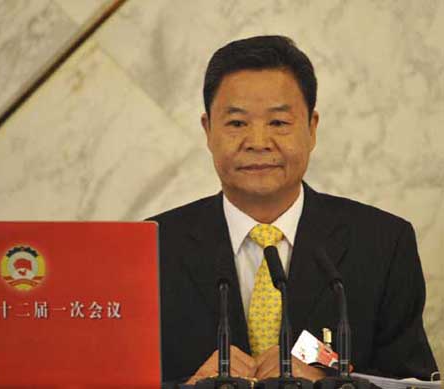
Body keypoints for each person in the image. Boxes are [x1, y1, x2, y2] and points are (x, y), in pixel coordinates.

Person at [149, 36, 438, 385]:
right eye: (237, 123)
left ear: (311, 129)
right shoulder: (152, 247)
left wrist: (329, 384)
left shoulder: (383, 243)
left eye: (279, 123)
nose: (258, 142)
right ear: (208, 130)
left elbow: (413, 381)